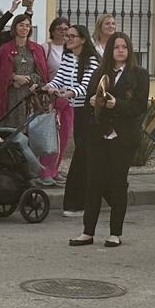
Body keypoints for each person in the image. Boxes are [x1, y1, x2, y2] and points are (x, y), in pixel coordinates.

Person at [69, 32, 148, 248]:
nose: (120, 51)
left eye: (124, 47)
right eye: (116, 47)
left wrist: (118, 104)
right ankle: (87, 232)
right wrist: (92, 101)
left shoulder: (139, 74)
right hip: (99, 135)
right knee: (93, 183)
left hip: (122, 136)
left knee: (117, 183)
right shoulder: (99, 73)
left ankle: (115, 233)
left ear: (129, 50)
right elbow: (88, 101)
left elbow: (140, 106)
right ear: (110, 51)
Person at [52, 24, 99, 219]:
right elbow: (59, 78)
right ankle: (81, 201)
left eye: (72, 36)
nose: (68, 39)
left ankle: (79, 202)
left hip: (91, 112)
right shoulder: (68, 57)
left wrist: (71, 92)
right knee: (83, 155)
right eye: (67, 36)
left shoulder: (92, 60)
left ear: (83, 40)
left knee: (82, 156)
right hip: (77, 111)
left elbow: (87, 85)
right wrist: (48, 87)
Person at [0, 13, 49, 127]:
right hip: (11, 96)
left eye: (27, 25)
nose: (24, 28)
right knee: (10, 128)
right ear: (14, 27)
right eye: (21, 25)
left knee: (31, 128)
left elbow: (43, 73)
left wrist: (29, 78)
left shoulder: (37, 49)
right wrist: (13, 77)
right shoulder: (4, 49)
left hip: (32, 94)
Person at [39, 17, 74, 184]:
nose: (63, 32)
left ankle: (55, 169)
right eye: (60, 29)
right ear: (53, 30)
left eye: (66, 29)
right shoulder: (46, 48)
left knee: (64, 136)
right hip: (51, 98)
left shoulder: (72, 50)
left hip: (68, 98)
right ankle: (45, 171)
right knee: (50, 136)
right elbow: (41, 70)